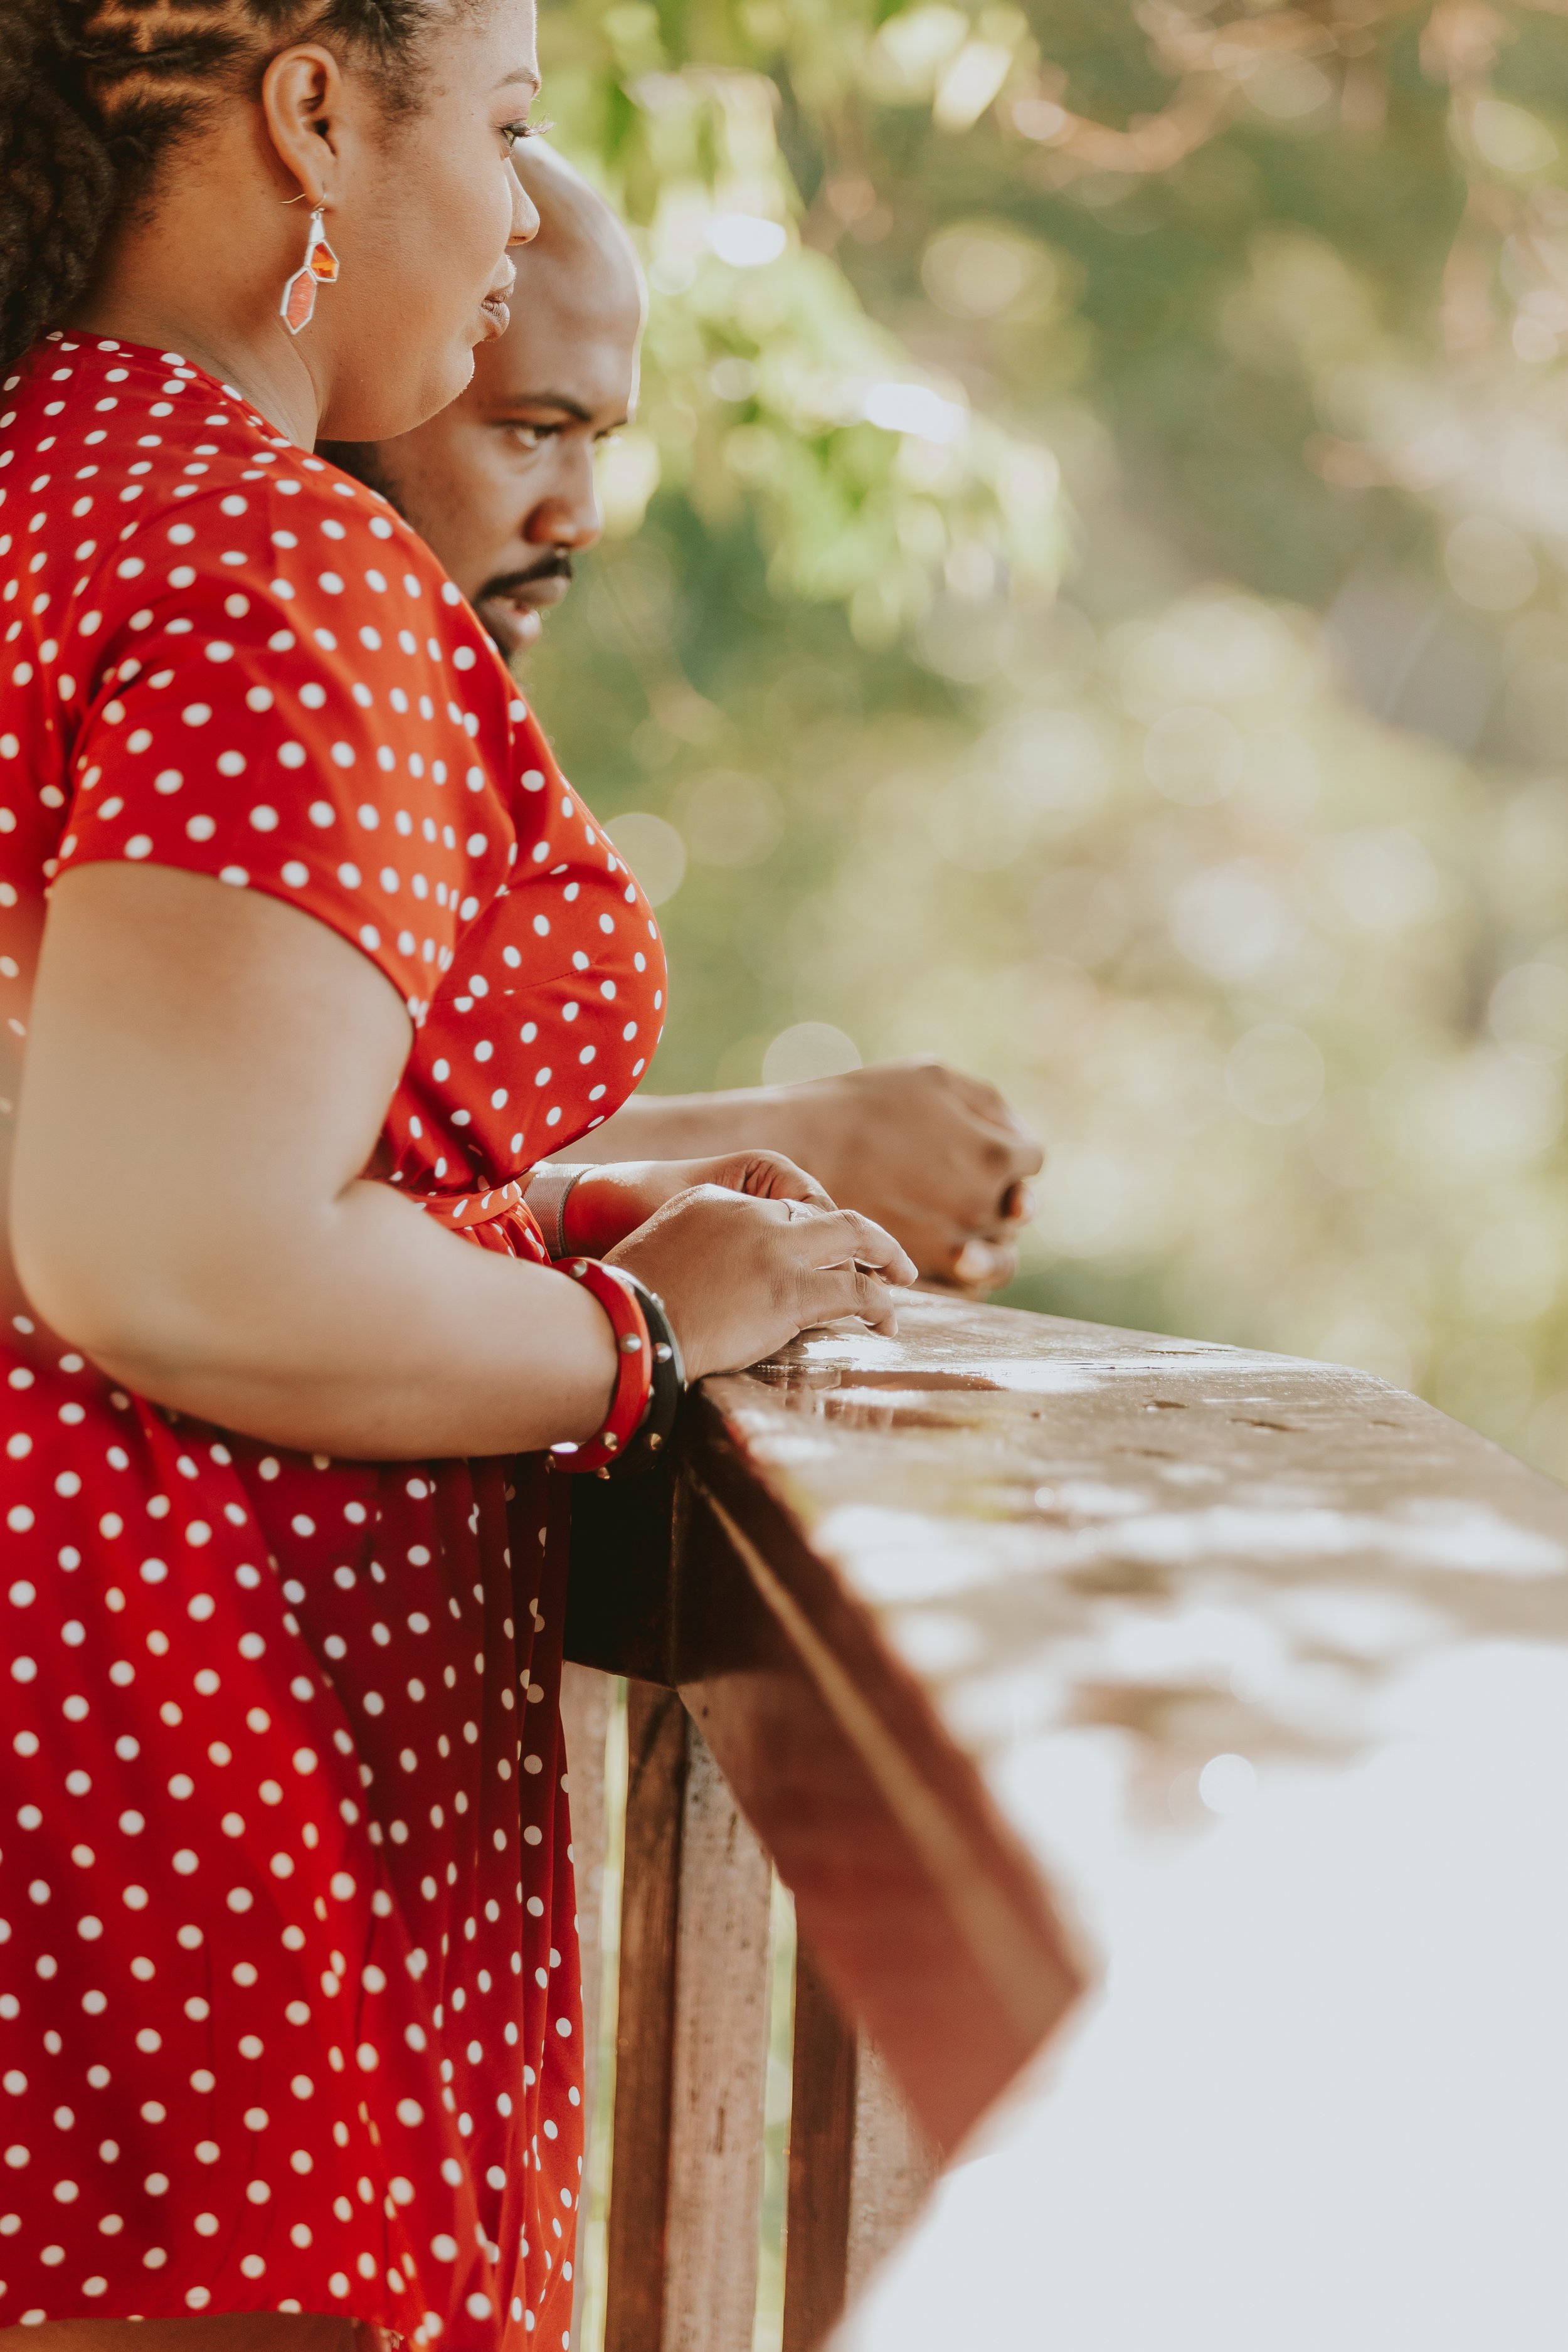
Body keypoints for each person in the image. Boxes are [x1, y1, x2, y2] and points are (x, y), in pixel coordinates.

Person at [0, 2, 918, 2345]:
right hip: (186, 1814)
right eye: (503, 126)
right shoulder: (252, 558)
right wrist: (646, 1331)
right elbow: (175, 1249)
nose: (517, 211)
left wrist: (566, 1210)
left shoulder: (43, 485)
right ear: (313, 108)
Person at [331, 141, 1044, 1291]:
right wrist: (792, 1173)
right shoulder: (248, 674)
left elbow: (357, 1175)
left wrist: (634, 1194)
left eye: (600, 442)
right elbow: (236, 1192)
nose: (583, 516)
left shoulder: (405, 717)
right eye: (529, 428)